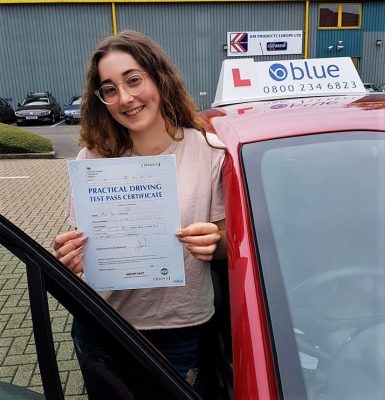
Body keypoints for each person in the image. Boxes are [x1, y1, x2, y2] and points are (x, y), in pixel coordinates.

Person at [53, 30, 226, 397]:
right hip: (105, 326)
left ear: (158, 77)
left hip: (180, 327)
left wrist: (215, 242)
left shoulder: (209, 151)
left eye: (133, 80)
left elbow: (227, 244)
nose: (125, 98)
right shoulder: (93, 160)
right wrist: (70, 254)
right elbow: (84, 243)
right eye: (110, 89)